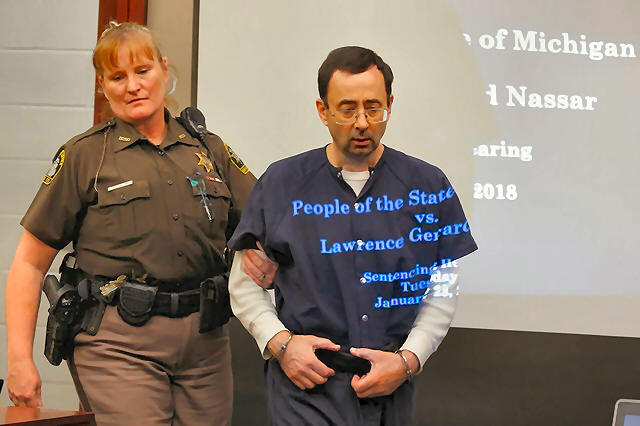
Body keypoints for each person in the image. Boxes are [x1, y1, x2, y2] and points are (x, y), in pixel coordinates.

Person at [5, 21, 274, 426]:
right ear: (103, 85)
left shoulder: (207, 149)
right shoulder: (85, 155)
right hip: (118, 343)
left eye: (143, 71)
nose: (133, 86)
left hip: (206, 343)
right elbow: (29, 263)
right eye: (118, 77)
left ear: (164, 69)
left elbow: (264, 219)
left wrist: (255, 246)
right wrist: (19, 360)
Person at [228, 46, 478, 425]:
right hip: (305, 385)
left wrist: (408, 360)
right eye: (347, 110)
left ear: (390, 104)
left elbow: (442, 288)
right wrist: (281, 345)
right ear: (322, 110)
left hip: (389, 385)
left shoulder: (427, 186)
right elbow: (245, 282)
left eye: (373, 108)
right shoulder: (281, 184)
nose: (362, 122)